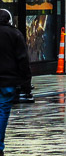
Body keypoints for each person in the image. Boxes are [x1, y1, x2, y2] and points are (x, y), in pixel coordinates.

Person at [0, 9, 31, 156]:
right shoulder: (15, 34)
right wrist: (26, 81)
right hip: (8, 80)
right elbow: (23, 60)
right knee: (3, 112)